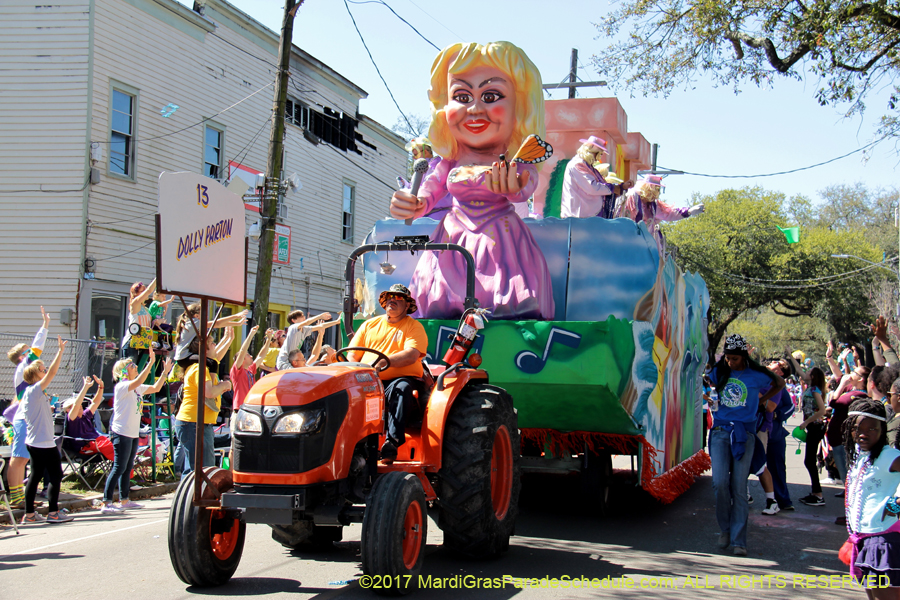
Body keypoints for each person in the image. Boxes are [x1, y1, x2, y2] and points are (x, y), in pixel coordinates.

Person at [389, 41, 555, 320]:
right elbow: (429, 191)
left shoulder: (516, 158)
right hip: (452, 239)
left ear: (520, 106)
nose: (475, 108)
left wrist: (514, 187)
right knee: (440, 305)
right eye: (462, 97)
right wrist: (413, 203)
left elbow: (525, 184)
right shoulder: (449, 161)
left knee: (505, 306)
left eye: (491, 96)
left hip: (501, 241)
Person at [708, 334, 784, 556]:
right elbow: (707, 383)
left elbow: (779, 383)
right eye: (728, 358)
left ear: (744, 357)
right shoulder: (719, 371)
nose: (731, 362)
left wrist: (762, 400)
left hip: (745, 434)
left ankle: (739, 540)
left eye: (735, 358)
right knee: (720, 483)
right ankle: (725, 529)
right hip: (721, 432)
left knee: (739, 487)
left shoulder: (757, 374)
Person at [347, 284, 428, 463]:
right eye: (390, 296)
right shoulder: (370, 325)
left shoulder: (413, 327)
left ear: (407, 305)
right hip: (368, 379)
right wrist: (358, 365)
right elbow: (352, 353)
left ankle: (392, 442)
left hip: (399, 379)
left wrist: (383, 362)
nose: (393, 300)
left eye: (399, 298)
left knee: (402, 388)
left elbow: (411, 354)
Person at [101, 349, 173, 515]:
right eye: (132, 365)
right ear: (124, 371)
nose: (135, 367)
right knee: (119, 467)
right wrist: (151, 362)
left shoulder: (136, 388)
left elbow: (155, 388)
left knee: (127, 467)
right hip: (121, 432)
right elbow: (141, 378)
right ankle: (106, 501)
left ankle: (124, 500)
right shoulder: (122, 386)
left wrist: (164, 373)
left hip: (133, 433)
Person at [842, 397, 900, 593]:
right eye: (857, 428)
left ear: (882, 430)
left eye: (872, 429)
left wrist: (896, 504)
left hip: (884, 538)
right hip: (864, 537)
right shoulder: (860, 455)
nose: (863, 434)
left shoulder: (888, 456)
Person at [19, 336, 74, 524]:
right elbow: (52, 372)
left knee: (35, 476)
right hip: (43, 441)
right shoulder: (34, 390)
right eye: (41, 370)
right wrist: (60, 352)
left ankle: (30, 514)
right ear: (35, 374)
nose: (45, 372)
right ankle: (53, 512)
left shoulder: (34, 393)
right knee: (56, 475)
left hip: (37, 440)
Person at [3, 306, 50, 508]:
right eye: (27, 351)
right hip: (23, 419)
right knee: (19, 457)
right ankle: (16, 499)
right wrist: (45, 325)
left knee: (25, 459)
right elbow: (38, 346)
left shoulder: (26, 372)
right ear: (22, 357)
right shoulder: (24, 368)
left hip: (29, 419)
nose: (31, 352)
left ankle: (21, 498)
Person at [174, 332, 233, 476]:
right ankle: (192, 497)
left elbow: (217, 356)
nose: (215, 345)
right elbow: (209, 392)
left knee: (199, 469)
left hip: (198, 422)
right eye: (212, 343)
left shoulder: (205, 367)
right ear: (204, 349)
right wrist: (225, 385)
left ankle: (193, 496)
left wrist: (229, 338)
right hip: (193, 422)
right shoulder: (199, 368)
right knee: (200, 471)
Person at [614, 174, 704, 250]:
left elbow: (669, 213)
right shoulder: (632, 197)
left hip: (641, 245)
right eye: (657, 189)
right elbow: (623, 218)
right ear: (649, 188)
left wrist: (688, 211)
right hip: (624, 240)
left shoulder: (653, 205)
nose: (659, 192)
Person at [173, 303, 247, 369]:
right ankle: (210, 384)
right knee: (212, 363)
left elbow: (218, 324)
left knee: (211, 360)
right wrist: (236, 316)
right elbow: (217, 323)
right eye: (203, 314)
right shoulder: (193, 322)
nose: (206, 316)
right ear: (197, 315)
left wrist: (237, 323)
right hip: (184, 357)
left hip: (184, 357)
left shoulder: (192, 323)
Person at [560, 135, 616, 219]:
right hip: (578, 217)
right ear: (592, 152)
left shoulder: (586, 166)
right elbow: (592, 187)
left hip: (585, 217)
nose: (598, 159)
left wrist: (619, 187)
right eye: (599, 154)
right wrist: (613, 188)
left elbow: (600, 184)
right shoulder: (578, 165)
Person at [796, 367, 828, 506]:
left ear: (813, 376)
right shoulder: (811, 387)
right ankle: (815, 492)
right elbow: (799, 370)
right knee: (809, 461)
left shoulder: (815, 390)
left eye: (808, 372)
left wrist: (806, 422)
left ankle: (818, 494)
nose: (805, 373)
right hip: (812, 427)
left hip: (815, 427)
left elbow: (822, 410)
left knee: (809, 461)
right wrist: (790, 354)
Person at [229, 325, 273, 417]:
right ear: (242, 360)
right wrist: (251, 334)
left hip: (251, 408)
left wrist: (268, 339)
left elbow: (261, 356)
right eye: (248, 355)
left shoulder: (250, 369)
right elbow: (242, 351)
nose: (251, 356)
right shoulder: (237, 371)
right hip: (240, 409)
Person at [275, 310, 339, 371]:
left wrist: (337, 322)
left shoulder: (304, 329)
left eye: (303, 315)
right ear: (294, 320)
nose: (304, 317)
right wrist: (319, 316)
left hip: (294, 360)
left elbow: (321, 326)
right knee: (297, 373)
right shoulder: (293, 328)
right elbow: (306, 322)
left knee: (310, 370)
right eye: (301, 316)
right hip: (284, 361)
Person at [62, 374, 106, 454]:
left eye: (80, 404)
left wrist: (101, 386)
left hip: (97, 443)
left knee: (119, 442)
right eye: (76, 405)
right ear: (68, 410)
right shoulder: (72, 419)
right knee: (115, 447)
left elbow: (96, 402)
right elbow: (76, 404)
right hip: (85, 446)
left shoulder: (85, 415)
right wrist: (85, 387)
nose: (80, 405)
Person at [121, 279, 156, 362]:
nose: (144, 292)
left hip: (142, 343)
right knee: (130, 371)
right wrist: (158, 277)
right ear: (135, 294)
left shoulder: (145, 309)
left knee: (138, 371)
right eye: (142, 291)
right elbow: (149, 290)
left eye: (144, 290)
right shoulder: (134, 304)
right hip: (132, 343)